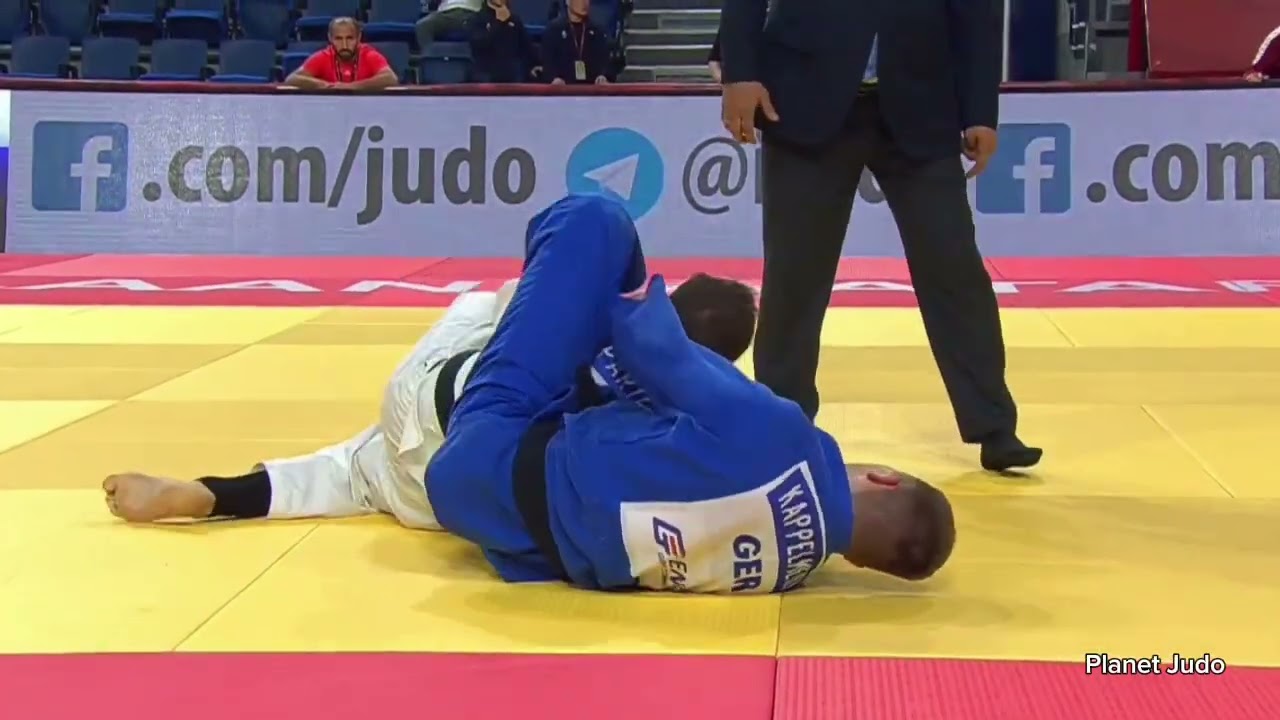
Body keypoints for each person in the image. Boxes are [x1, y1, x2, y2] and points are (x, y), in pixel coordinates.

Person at [425, 193, 955, 593]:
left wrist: (633, 297)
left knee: (596, 223)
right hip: (518, 541)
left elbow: (649, 344)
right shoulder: (784, 575)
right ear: (859, 560)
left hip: (490, 451)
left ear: (884, 478)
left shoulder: (785, 437)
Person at [102, 269, 759, 527]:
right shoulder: (690, 421)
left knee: (492, 304)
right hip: (450, 499)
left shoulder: (610, 317)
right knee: (349, 475)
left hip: (428, 399)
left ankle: (207, 493)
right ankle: (215, 494)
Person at [717, 0, 1041, 472]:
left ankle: (994, 426)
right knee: (795, 275)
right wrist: (739, 73)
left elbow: (976, 14)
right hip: (804, 98)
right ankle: (782, 426)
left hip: (921, 103)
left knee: (954, 268)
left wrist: (980, 112)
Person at [285, 18, 398, 90]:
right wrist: (325, 85)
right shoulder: (324, 56)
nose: (344, 45)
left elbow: (390, 78)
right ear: (330, 38)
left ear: (359, 37)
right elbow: (292, 79)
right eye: (338, 39)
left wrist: (352, 87)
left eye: (350, 38)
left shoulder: (369, 55)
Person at [468, 0, 543, 83]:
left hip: (513, 78)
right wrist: (499, 23)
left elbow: (527, 48)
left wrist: (535, 65)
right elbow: (478, 44)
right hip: (486, 77)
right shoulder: (478, 19)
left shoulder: (514, 20)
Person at [542, 0, 612, 85]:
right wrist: (554, 79)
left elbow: (606, 62)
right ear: (567, 2)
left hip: (591, 89)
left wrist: (603, 76)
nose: (584, 3)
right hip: (563, 90)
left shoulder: (597, 31)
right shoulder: (554, 30)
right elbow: (547, 63)